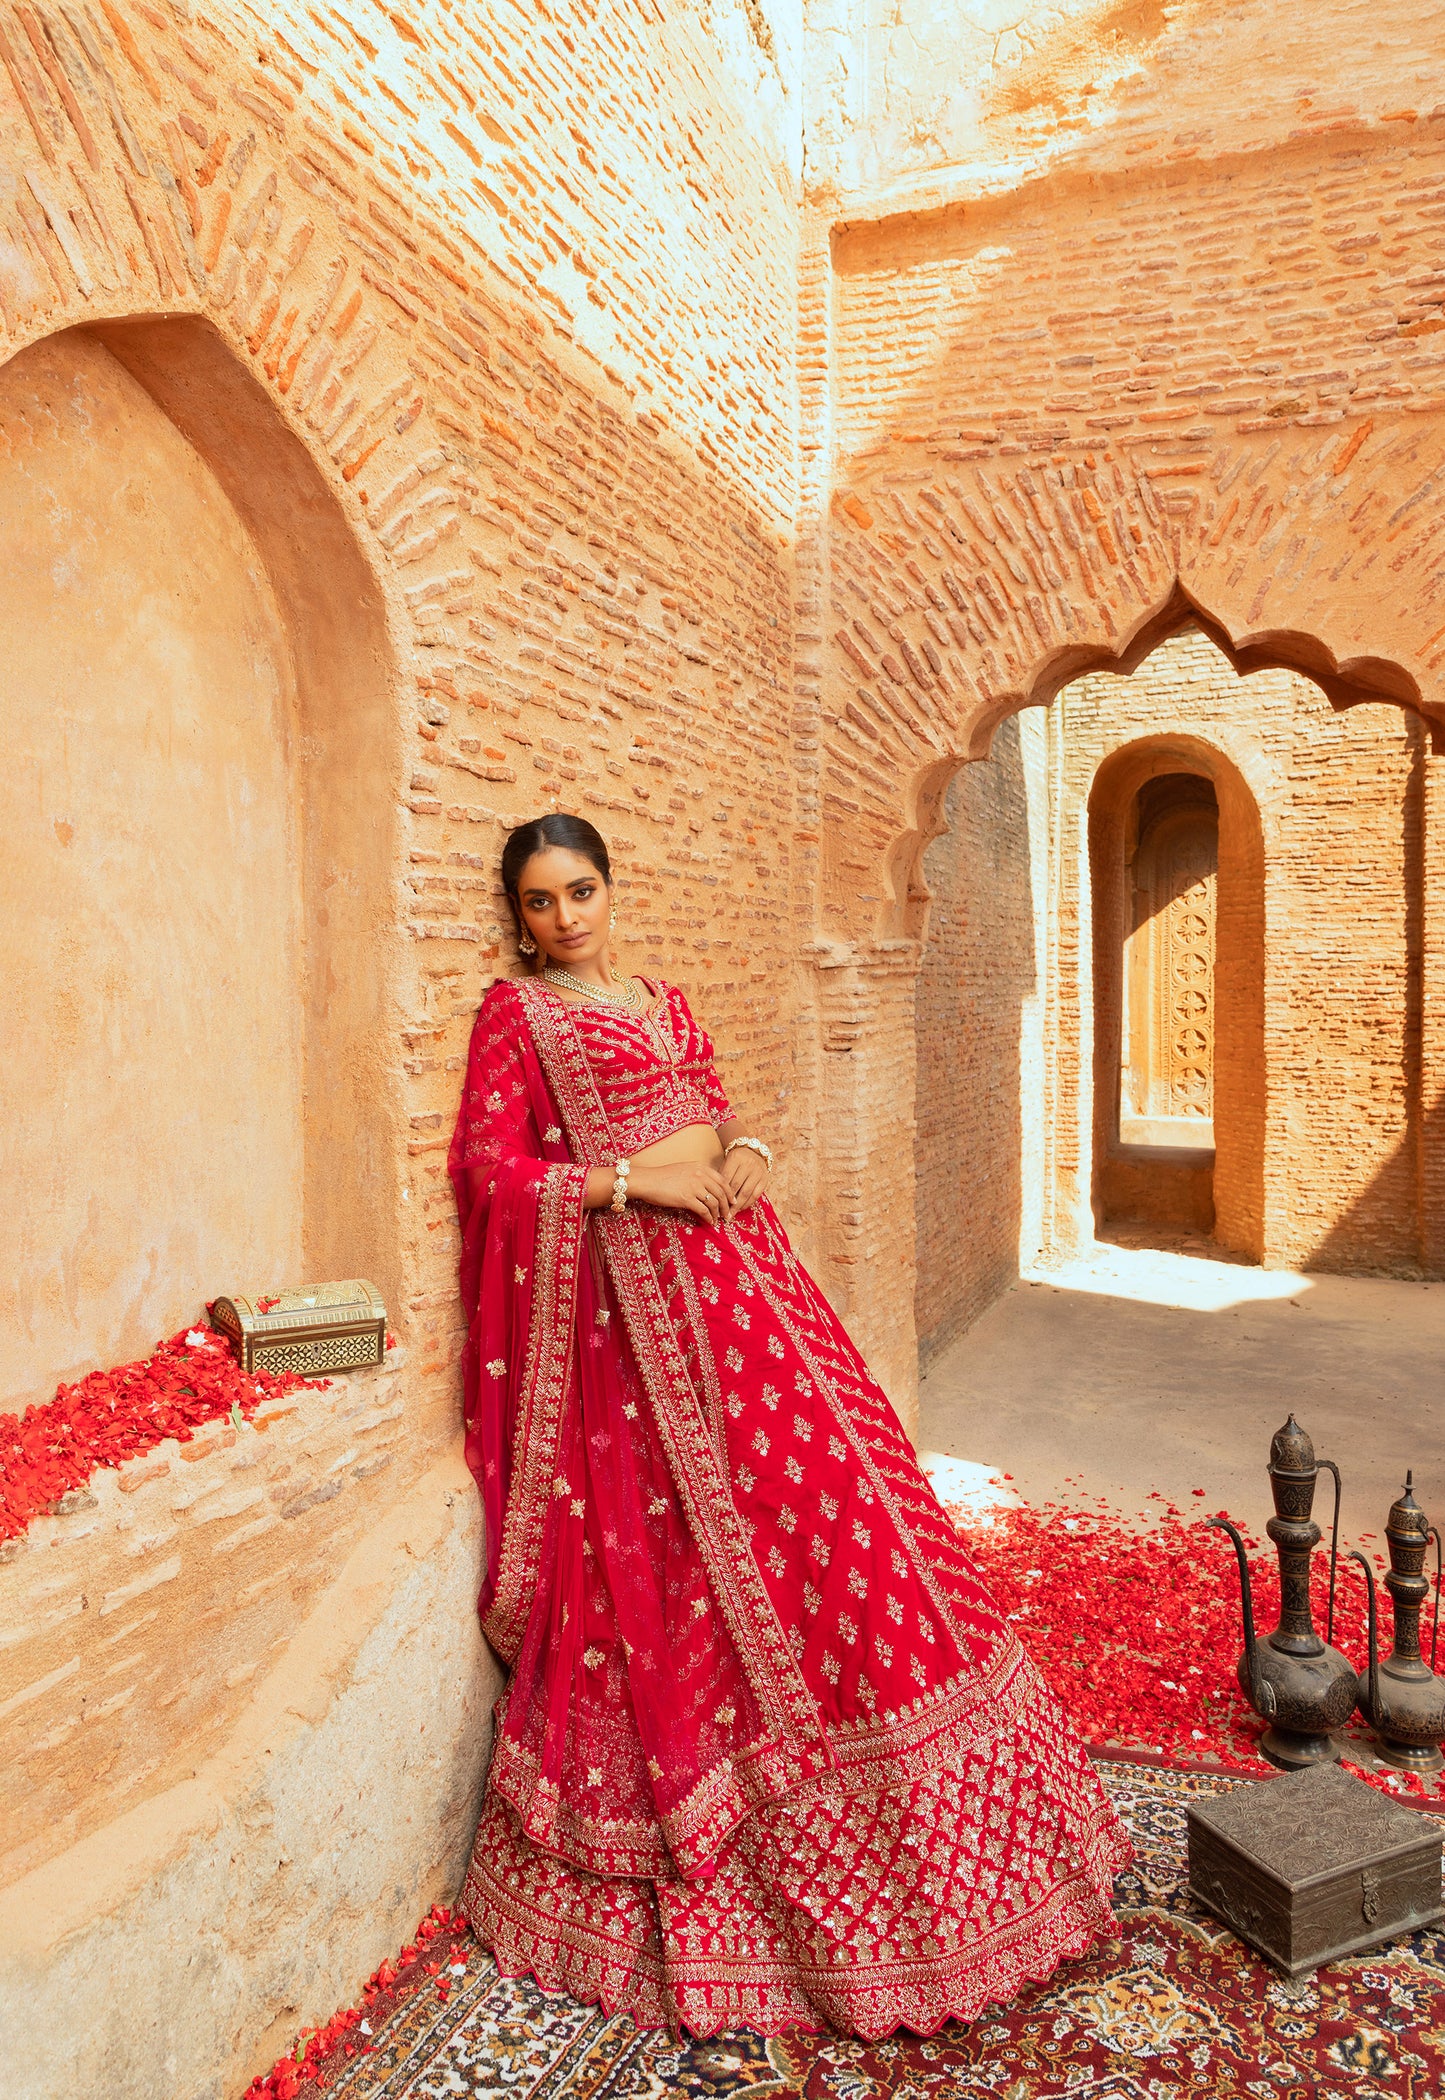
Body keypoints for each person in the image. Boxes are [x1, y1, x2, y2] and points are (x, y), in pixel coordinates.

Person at [448, 812, 1127, 2039]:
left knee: (853, 1509)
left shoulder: (663, 995)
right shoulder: (519, 1018)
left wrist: (746, 1146)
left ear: (613, 886)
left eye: (581, 891)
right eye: (541, 903)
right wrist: (628, 1182)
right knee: (720, 1550)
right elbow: (490, 1170)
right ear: (519, 918)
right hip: (637, 1317)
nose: (564, 919)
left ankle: (961, 1847)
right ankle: (764, 1841)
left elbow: (708, 1096)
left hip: (744, 1279)